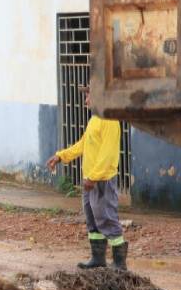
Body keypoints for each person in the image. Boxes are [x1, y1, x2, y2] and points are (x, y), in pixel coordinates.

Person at [47, 87, 126, 270]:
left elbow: (107, 155)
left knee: (107, 218)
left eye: (89, 96)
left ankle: (120, 263)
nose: (86, 101)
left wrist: (93, 177)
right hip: (90, 180)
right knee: (92, 219)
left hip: (101, 180)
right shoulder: (95, 119)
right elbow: (83, 144)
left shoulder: (109, 121)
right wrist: (61, 156)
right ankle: (98, 258)